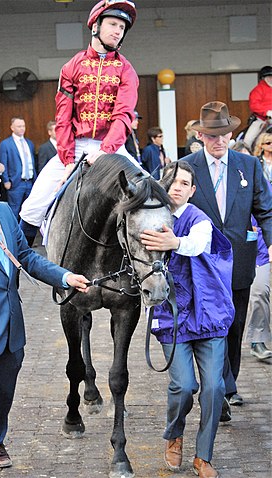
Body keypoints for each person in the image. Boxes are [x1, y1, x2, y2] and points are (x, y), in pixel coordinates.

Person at [0, 157, 89, 478]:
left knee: (4, 390)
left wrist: (65, 277)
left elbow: (25, 256)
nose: (1, 181)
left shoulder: (2, 212)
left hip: (10, 321)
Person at [140, 161, 234, 478]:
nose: (178, 187)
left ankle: (203, 456)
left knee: (213, 388)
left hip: (209, 315)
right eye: (172, 182)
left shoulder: (199, 219)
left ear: (192, 191)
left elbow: (197, 243)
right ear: (162, 187)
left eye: (185, 183)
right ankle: (174, 434)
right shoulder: (151, 220)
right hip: (173, 316)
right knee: (183, 386)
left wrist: (175, 243)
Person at [19, 0, 139, 246]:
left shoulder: (127, 70)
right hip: (75, 147)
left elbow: (123, 115)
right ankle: (14, 270)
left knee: (150, 194)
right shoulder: (71, 66)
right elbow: (63, 116)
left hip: (113, 147)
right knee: (32, 207)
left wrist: (105, 151)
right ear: (96, 25)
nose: (118, 31)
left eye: (122, 27)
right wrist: (67, 160)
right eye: (113, 24)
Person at [183, 101, 272, 413]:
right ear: (202, 137)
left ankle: (228, 381)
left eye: (225, 135)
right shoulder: (186, 167)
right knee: (207, 326)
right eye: (212, 136)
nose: (219, 141)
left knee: (233, 326)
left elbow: (267, 210)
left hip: (239, 260)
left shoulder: (247, 166)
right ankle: (215, 389)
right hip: (200, 262)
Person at [231, 141, 272, 361]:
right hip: (232, 252)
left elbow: (268, 211)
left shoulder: (260, 182)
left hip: (260, 251)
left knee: (260, 293)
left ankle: (257, 340)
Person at [0, 117, 36, 220]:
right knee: (14, 211)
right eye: (19, 126)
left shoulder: (29, 143)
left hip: (30, 182)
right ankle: (13, 234)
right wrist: (6, 180)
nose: (22, 128)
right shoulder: (6, 144)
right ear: (12, 128)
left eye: (23, 126)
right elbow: (3, 163)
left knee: (29, 211)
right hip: (15, 183)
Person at [243, 66, 272, 150]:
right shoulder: (257, 90)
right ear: (263, 78)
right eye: (268, 77)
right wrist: (267, 112)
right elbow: (254, 105)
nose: (271, 79)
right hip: (262, 120)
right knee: (248, 140)